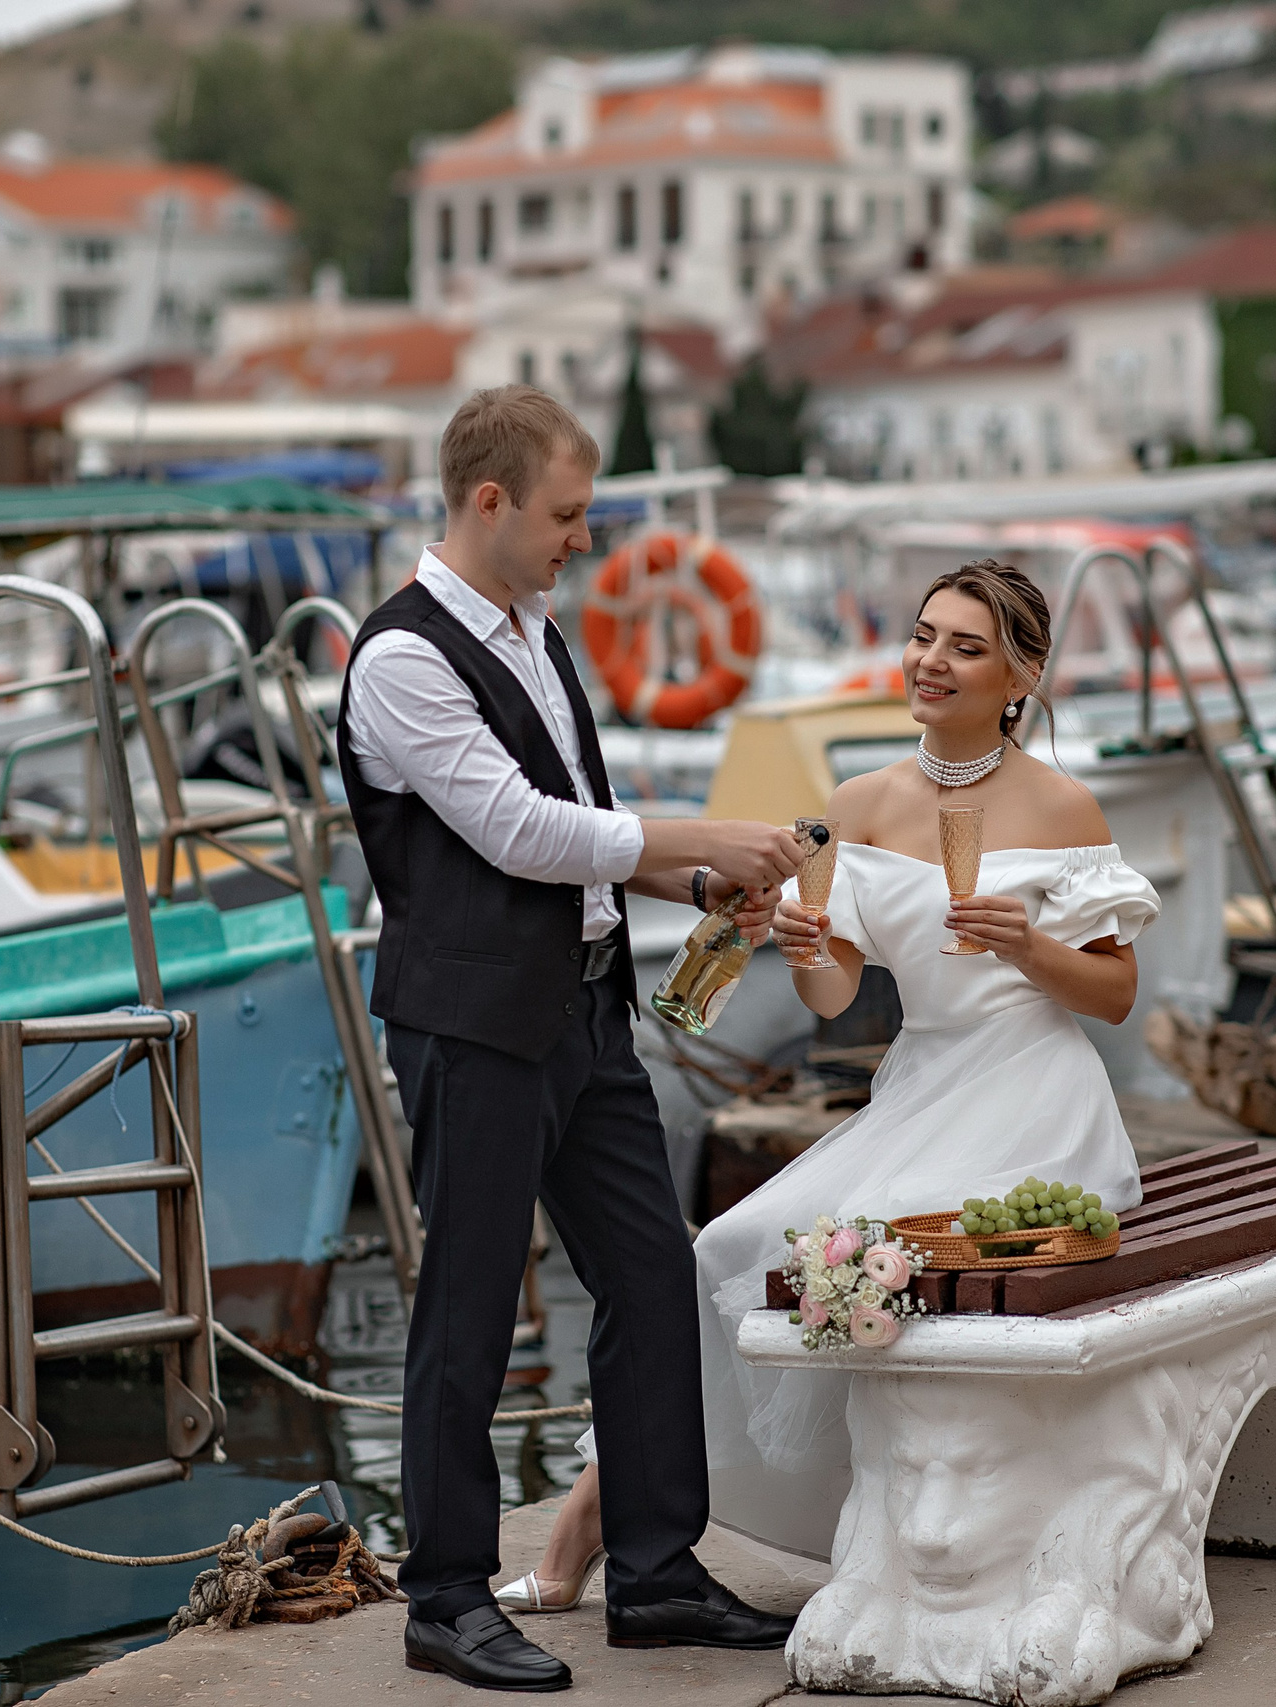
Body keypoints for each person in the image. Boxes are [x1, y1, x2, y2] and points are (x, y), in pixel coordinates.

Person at [500, 557, 1162, 1594]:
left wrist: (1030, 948)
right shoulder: (857, 802)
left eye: (966, 647)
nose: (932, 661)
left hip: (1035, 1102)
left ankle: (899, 1523)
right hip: (921, 1090)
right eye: (924, 636)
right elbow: (830, 999)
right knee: (724, 1245)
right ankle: (588, 1524)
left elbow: (1116, 996)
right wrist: (799, 941)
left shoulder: (1062, 806)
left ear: (1020, 679)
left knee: (867, 1239)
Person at [337, 385, 806, 1692]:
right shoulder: (401, 659)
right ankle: (443, 1596)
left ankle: (655, 1573)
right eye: (564, 513)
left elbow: (580, 833)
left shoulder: (535, 630)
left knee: (657, 1280)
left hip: (582, 1013)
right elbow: (518, 832)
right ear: (486, 501)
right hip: (473, 1027)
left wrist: (687, 890)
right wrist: (701, 836)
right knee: (471, 1308)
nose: (581, 538)